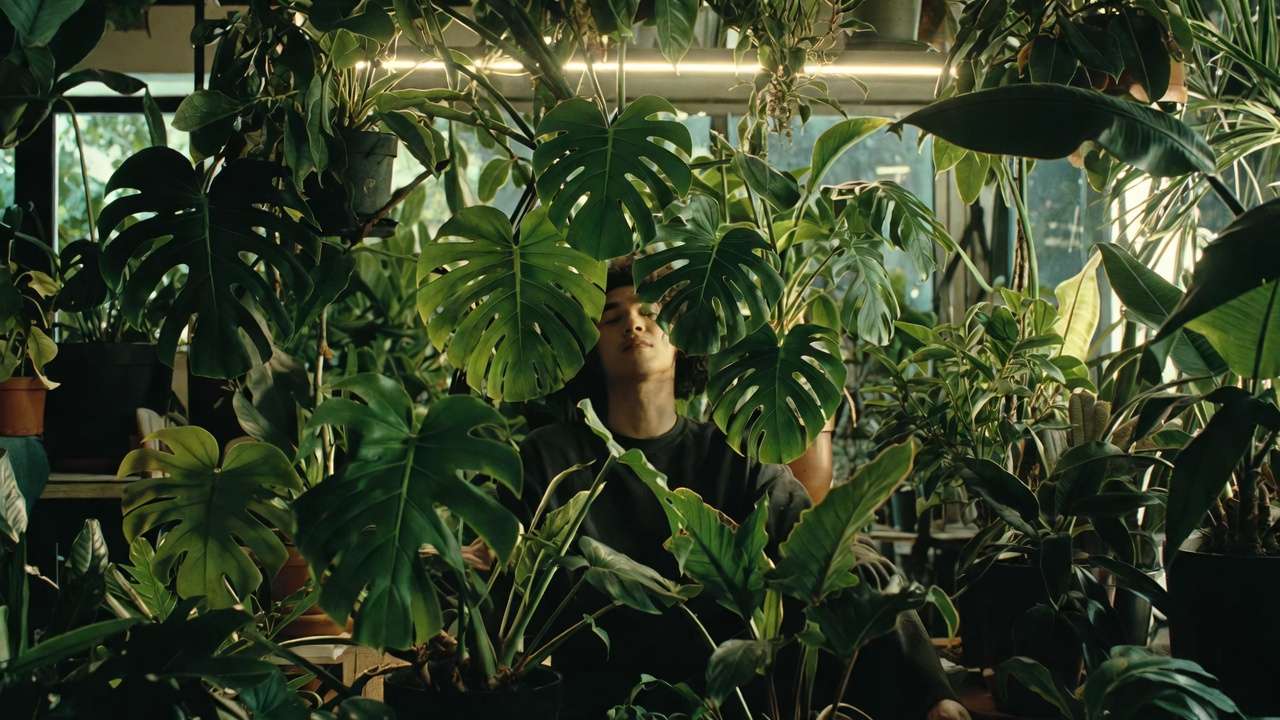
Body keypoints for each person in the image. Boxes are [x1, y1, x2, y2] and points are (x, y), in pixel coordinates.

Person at [511, 260, 970, 720]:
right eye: (612, 317)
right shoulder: (549, 459)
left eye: (648, 312)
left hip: (734, 696)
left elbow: (821, 544)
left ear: (682, 336)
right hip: (598, 696)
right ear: (591, 346)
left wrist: (934, 692)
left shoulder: (732, 453)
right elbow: (503, 579)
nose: (632, 322)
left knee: (852, 560)